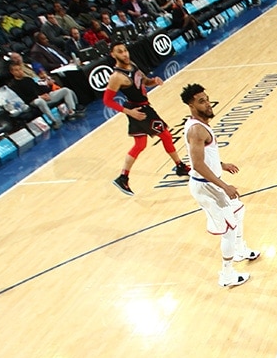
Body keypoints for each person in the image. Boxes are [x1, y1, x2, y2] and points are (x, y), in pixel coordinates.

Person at [181, 83, 260, 288]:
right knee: (228, 230)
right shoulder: (197, 130)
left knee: (239, 210)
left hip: (210, 182)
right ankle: (227, 275)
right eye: (201, 101)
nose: (207, 104)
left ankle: (240, 250)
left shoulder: (198, 125)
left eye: (207, 99)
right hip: (207, 187)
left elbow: (203, 157)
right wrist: (224, 185)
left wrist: (221, 165)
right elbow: (197, 164)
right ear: (190, 104)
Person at [103, 41, 189, 195]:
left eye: (125, 50)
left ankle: (123, 177)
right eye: (120, 52)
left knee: (140, 144)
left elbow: (144, 81)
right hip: (139, 110)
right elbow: (107, 101)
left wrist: (153, 81)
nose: (125, 54)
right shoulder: (116, 76)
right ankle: (180, 166)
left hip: (141, 107)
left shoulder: (132, 65)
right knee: (166, 135)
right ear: (113, 55)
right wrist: (130, 113)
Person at [5, 61, 80, 129]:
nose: (19, 71)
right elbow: (23, 98)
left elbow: (38, 88)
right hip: (32, 101)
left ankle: (72, 112)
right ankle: (54, 121)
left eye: (20, 69)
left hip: (42, 96)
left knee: (65, 90)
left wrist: (47, 91)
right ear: (12, 72)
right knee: (39, 101)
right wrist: (40, 96)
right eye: (16, 70)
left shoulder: (28, 79)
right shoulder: (13, 85)